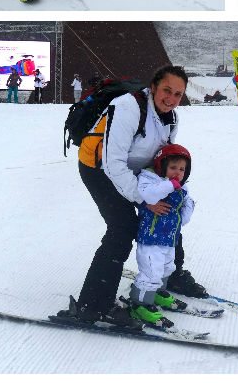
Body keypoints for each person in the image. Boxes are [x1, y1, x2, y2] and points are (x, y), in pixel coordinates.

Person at [57, 65, 206, 330]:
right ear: (154, 87)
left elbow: (162, 158)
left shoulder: (172, 118)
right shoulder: (128, 107)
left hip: (136, 171)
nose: (171, 99)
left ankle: (168, 275)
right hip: (98, 167)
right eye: (166, 90)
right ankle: (93, 306)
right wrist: (143, 198)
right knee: (123, 228)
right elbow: (113, 164)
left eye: (178, 94)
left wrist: (167, 191)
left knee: (167, 210)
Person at [127, 144, 195, 324]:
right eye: (173, 168)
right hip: (151, 239)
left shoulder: (181, 188)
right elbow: (148, 195)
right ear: (161, 165)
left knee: (166, 268)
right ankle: (139, 305)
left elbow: (183, 218)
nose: (178, 173)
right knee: (151, 272)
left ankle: (155, 294)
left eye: (182, 169)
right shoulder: (150, 180)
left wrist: (188, 206)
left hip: (168, 239)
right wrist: (170, 185)